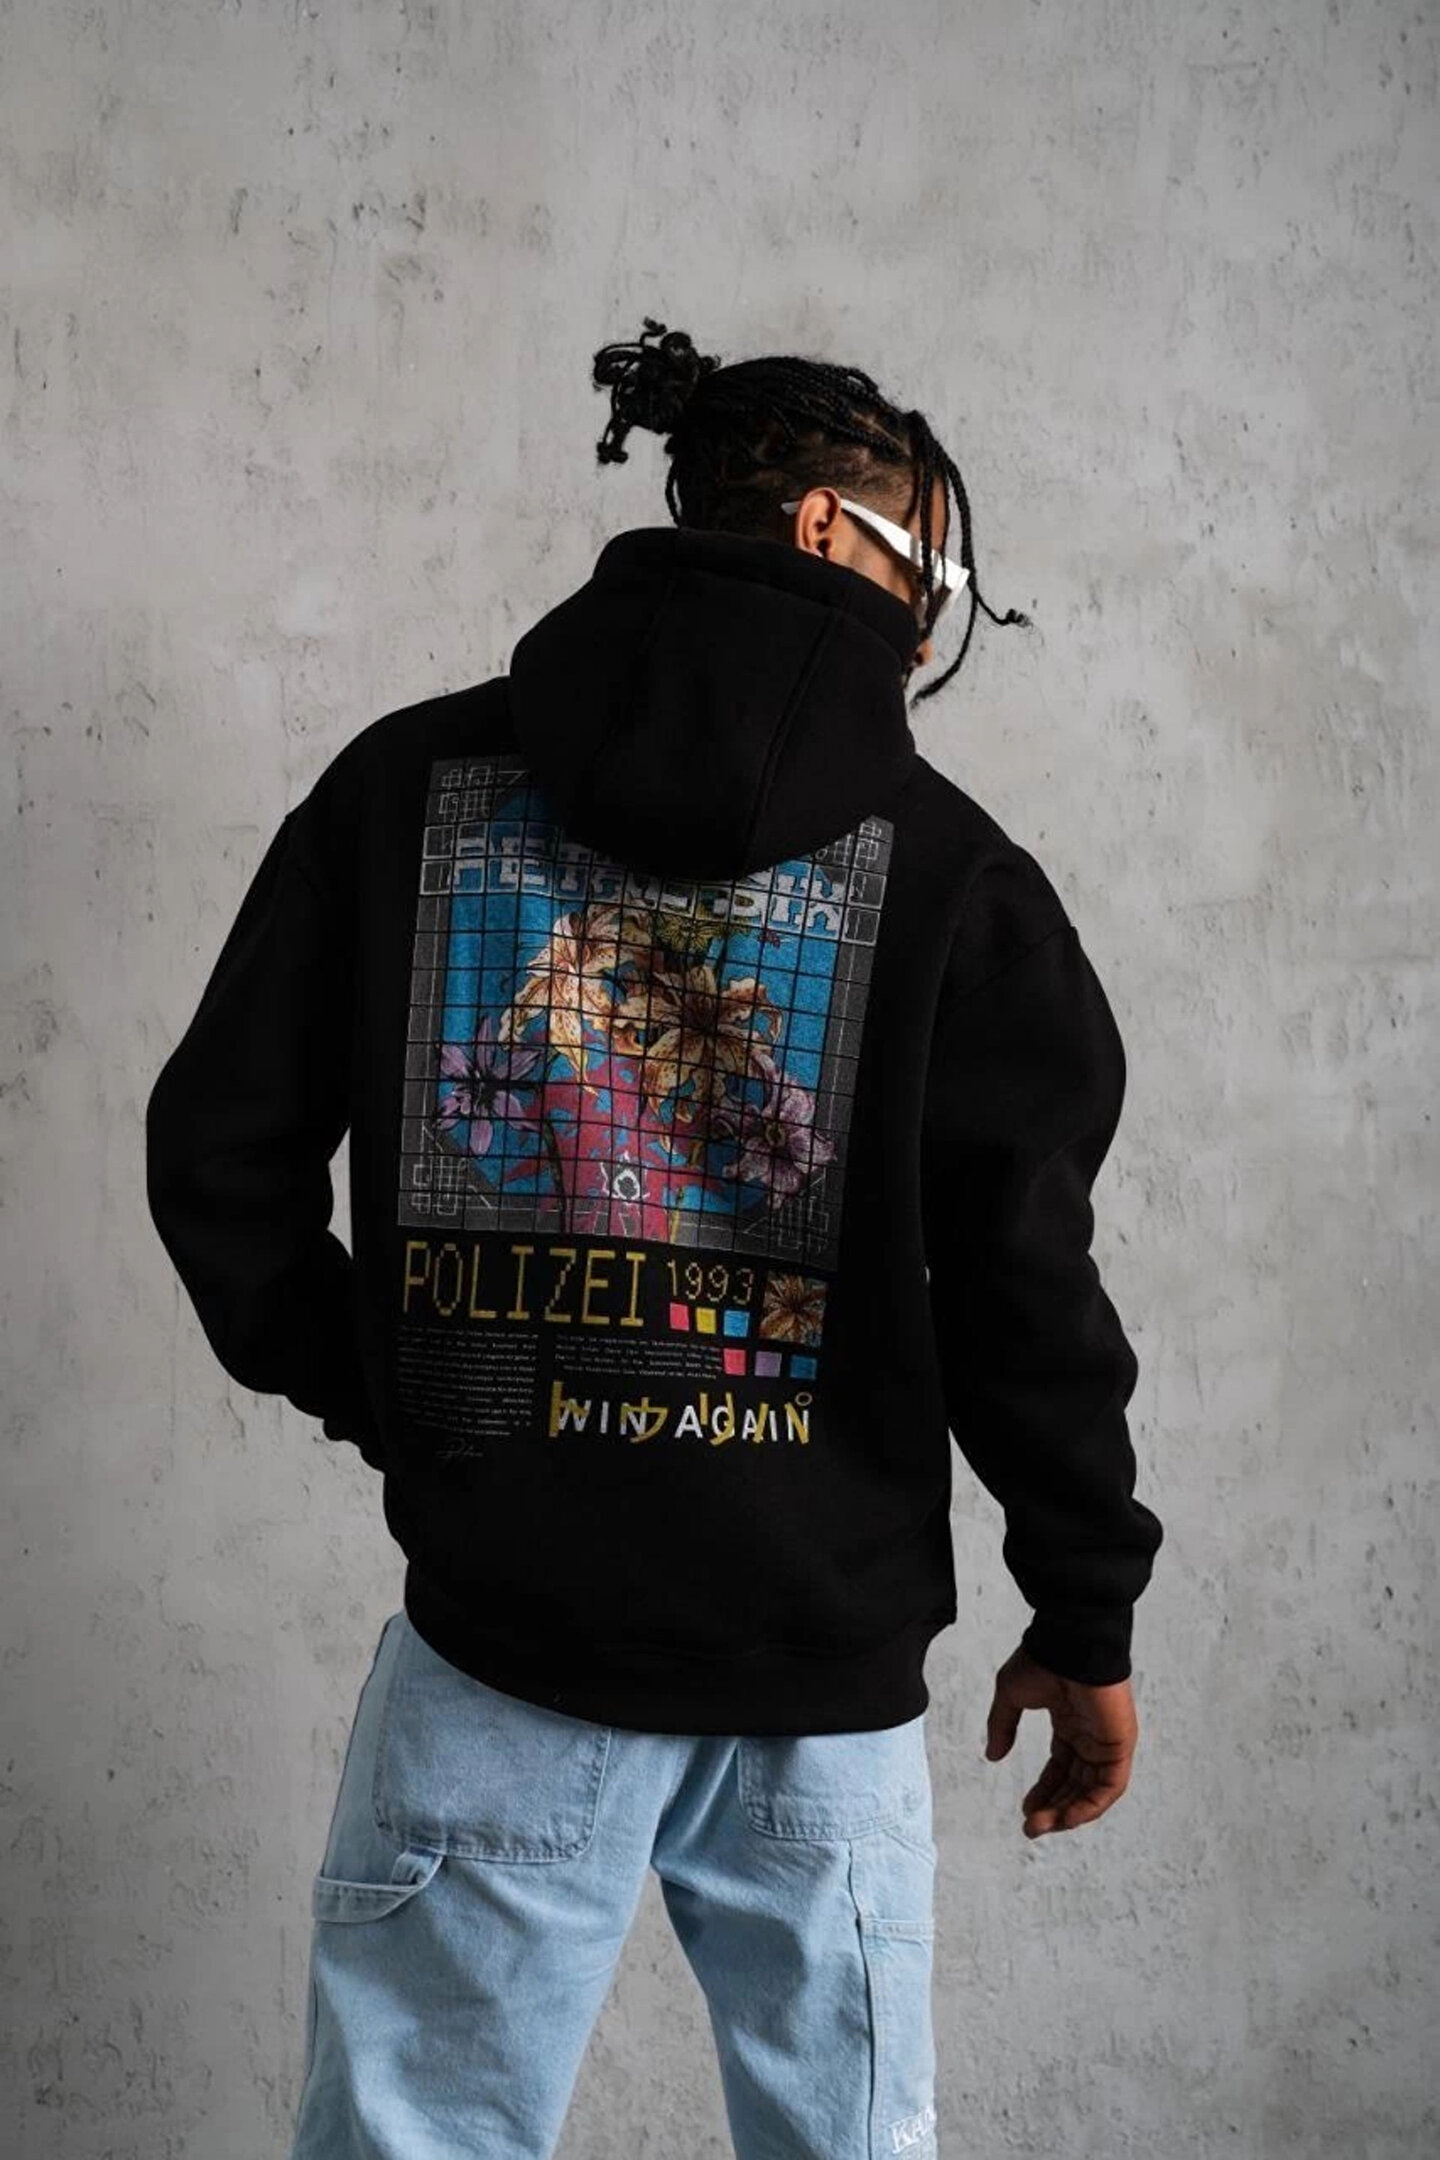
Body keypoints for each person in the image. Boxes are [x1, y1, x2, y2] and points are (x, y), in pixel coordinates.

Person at [145, 316, 1164, 2160]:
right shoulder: (958, 877)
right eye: (932, 566)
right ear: (831, 536)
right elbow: (1026, 1289)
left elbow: (218, 1156)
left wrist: (407, 1392)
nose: (935, 615)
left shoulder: (406, 790)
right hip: (822, 1658)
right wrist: (1083, 1607)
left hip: (503, 1640)